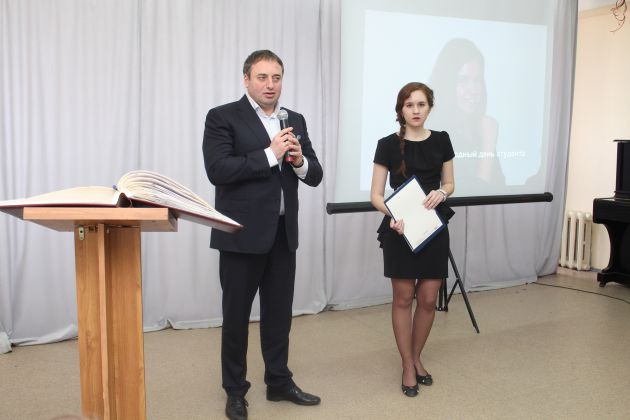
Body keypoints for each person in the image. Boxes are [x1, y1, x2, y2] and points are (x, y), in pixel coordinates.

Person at [202, 50, 323, 420]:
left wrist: (299, 161)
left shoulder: (294, 120)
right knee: (236, 318)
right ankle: (235, 391)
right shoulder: (222, 117)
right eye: (262, 77)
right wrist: (270, 154)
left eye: (276, 77)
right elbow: (218, 170)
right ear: (246, 79)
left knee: (278, 316)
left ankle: (279, 381)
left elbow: (315, 174)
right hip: (241, 237)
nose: (270, 85)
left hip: (283, 236)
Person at [370, 82, 455, 397]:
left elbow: (450, 182)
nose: (416, 110)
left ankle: (416, 357)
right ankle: (408, 365)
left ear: (429, 107)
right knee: (404, 298)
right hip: (400, 228)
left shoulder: (442, 140)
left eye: (421, 104)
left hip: (433, 227)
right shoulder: (386, 144)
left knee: (429, 298)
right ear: (401, 109)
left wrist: (442, 192)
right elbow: (376, 195)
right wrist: (392, 215)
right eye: (409, 105)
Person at [428, 38, 504, 194]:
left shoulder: (480, 129)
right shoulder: (434, 134)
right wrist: (488, 144)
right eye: (463, 80)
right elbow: (471, 196)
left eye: (477, 80)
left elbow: (499, 188)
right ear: (447, 83)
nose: (473, 90)